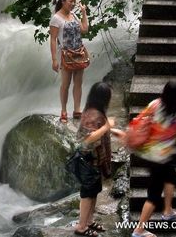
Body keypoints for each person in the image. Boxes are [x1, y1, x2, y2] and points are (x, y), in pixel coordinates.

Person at [131, 81, 176, 237]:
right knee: (153, 195)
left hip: (148, 154)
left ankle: (167, 211)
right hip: (160, 159)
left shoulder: (154, 104)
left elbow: (139, 120)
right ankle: (139, 230)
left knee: (171, 175)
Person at [74, 82, 117, 237]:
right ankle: (81, 227)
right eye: (109, 96)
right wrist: (106, 128)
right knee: (87, 194)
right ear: (102, 98)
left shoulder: (96, 111)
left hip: (96, 161)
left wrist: (114, 131)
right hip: (88, 161)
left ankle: (88, 221)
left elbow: (100, 130)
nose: (110, 99)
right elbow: (87, 139)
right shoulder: (93, 115)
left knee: (93, 192)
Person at [49, 0, 89, 123]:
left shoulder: (74, 15)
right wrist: (54, 59)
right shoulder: (56, 18)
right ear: (63, 1)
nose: (72, 4)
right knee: (65, 84)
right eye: (70, 1)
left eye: (74, 2)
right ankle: (64, 111)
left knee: (78, 83)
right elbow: (53, 40)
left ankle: (77, 110)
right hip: (65, 55)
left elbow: (84, 29)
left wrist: (83, 13)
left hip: (79, 53)